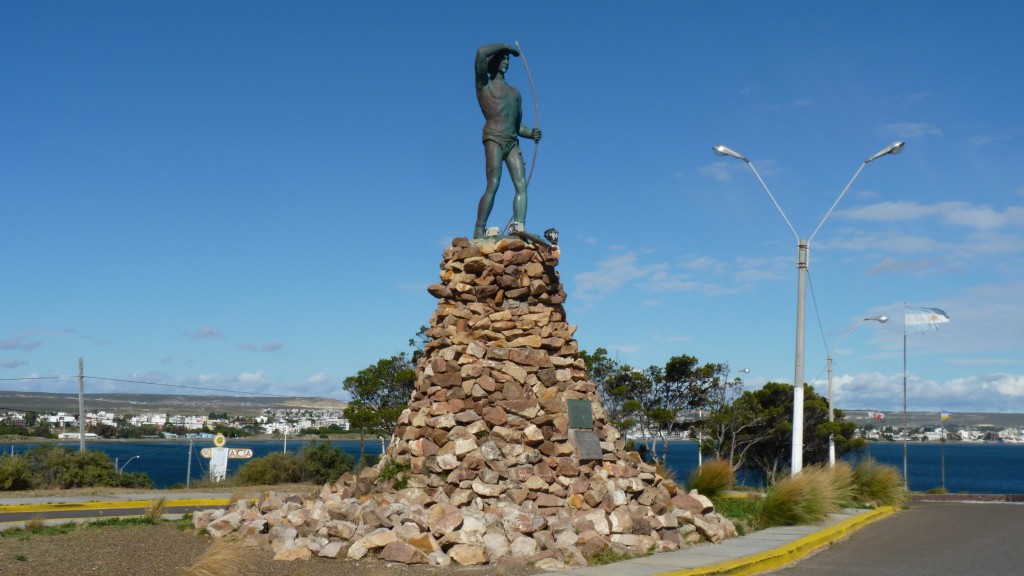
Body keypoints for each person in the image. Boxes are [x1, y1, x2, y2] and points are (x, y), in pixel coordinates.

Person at [474, 43, 542, 239]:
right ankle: (479, 228)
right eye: (502, 58)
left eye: (507, 60)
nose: (505, 62)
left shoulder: (515, 93)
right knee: (493, 184)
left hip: (512, 141)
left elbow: (517, 125)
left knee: (521, 185)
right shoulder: (483, 85)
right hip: (493, 137)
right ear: (492, 61)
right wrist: (505, 47)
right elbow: (480, 53)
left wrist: (531, 133)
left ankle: (519, 227)